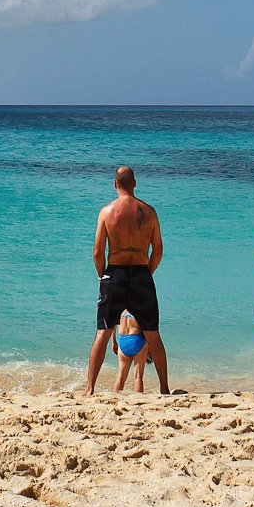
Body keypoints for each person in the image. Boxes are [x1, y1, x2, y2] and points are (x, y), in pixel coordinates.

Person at [85, 165, 170, 395]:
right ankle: (164, 388)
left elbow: (97, 251)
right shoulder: (150, 212)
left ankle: (90, 388)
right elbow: (159, 250)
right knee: (152, 333)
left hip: (115, 273)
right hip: (141, 272)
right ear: (134, 184)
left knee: (103, 332)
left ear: (115, 184)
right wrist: (147, 272)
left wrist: (102, 276)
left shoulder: (106, 212)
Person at [112, 310, 149, 392]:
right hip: (137, 339)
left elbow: (113, 325)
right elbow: (147, 329)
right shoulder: (138, 308)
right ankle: (138, 400)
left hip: (122, 340)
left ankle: (115, 397)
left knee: (121, 376)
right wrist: (149, 346)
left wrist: (114, 342)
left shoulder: (120, 309)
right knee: (138, 377)